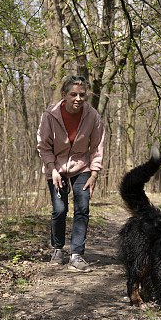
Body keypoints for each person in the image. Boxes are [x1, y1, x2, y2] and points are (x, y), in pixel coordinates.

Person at [36, 76, 105, 271]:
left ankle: (77, 255)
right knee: (59, 209)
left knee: (82, 208)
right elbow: (43, 146)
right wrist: (52, 168)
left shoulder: (93, 116)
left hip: (82, 167)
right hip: (55, 167)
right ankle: (58, 249)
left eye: (82, 95)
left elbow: (97, 147)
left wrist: (94, 173)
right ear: (64, 95)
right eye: (73, 94)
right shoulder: (50, 115)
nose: (78, 98)